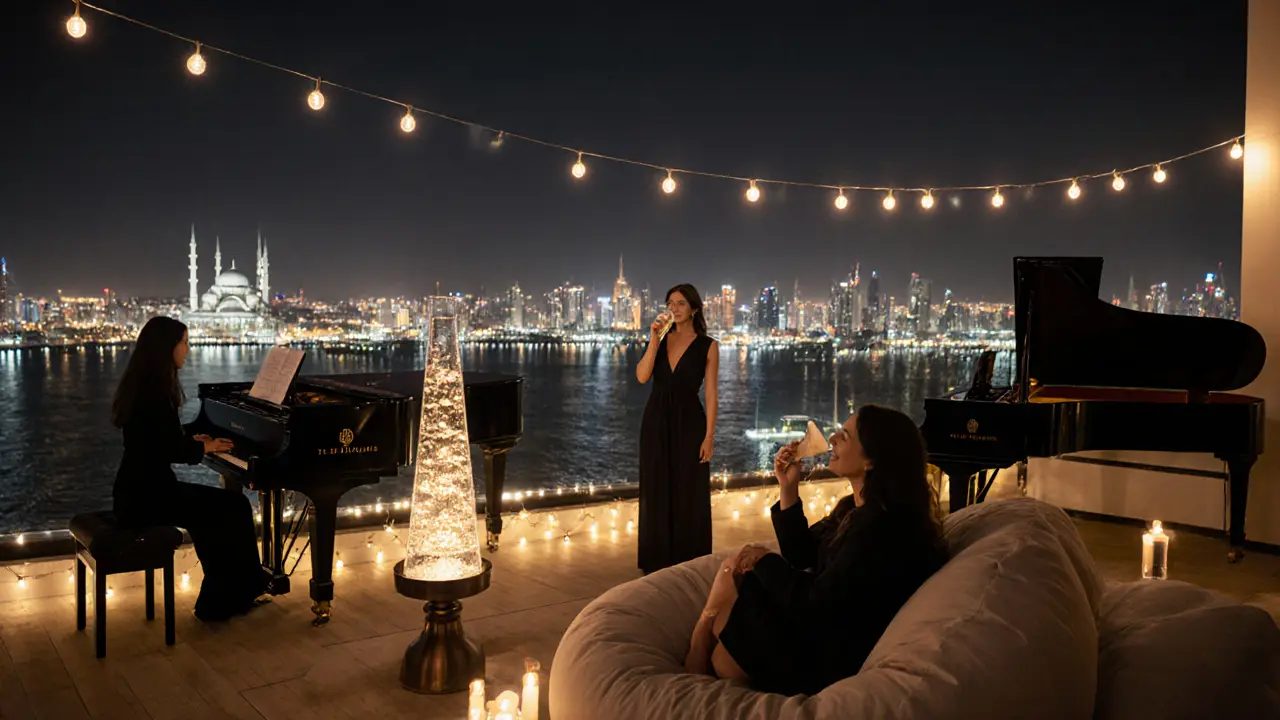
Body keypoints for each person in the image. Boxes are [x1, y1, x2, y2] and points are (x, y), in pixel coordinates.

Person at [684, 404, 949, 696]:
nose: (832, 438)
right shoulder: (856, 509)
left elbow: (818, 604)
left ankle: (696, 653)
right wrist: (788, 487)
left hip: (827, 658)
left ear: (870, 461)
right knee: (734, 575)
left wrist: (765, 560)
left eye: (845, 436)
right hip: (820, 632)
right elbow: (802, 554)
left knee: (723, 644)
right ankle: (708, 657)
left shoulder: (878, 531)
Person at [111, 316, 268, 622]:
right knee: (233, 505)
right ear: (167, 347)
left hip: (138, 489)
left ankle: (223, 595)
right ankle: (232, 594)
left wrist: (189, 439)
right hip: (148, 497)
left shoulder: (144, 384)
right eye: (185, 342)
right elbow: (169, 449)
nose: (188, 348)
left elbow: (155, 439)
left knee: (214, 513)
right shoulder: (155, 391)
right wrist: (203, 447)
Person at [635, 284, 720, 574]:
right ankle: (656, 558)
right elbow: (643, 376)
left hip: (690, 423)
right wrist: (653, 339)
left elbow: (710, 394)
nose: (674, 308)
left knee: (688, 488)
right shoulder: (660, 339)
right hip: (656, 420)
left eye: (681, 303)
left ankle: (689, 558)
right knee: (656, 485)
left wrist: (709, 436)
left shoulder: (708, 345)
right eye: (670, 303)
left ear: (694, 308)